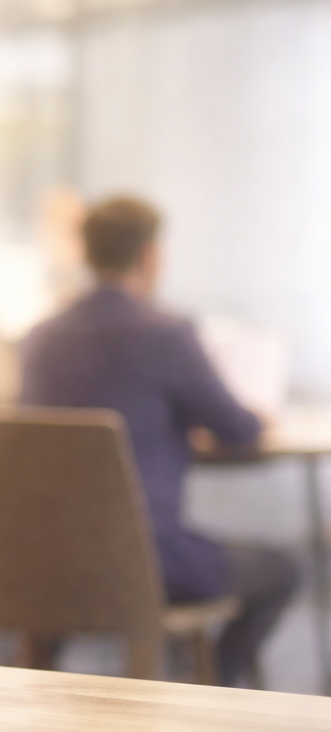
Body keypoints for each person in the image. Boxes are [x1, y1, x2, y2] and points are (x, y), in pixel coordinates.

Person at [20, 195, 298, 686]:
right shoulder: (166, 334)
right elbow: (236, 427)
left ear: (86, 254)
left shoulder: (40, 338)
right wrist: (252, 416)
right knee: (282, 571)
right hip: (149, 564)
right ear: (150, 256)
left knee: (75, 560)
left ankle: (42, 692)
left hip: (47, 563)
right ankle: (210, 688)